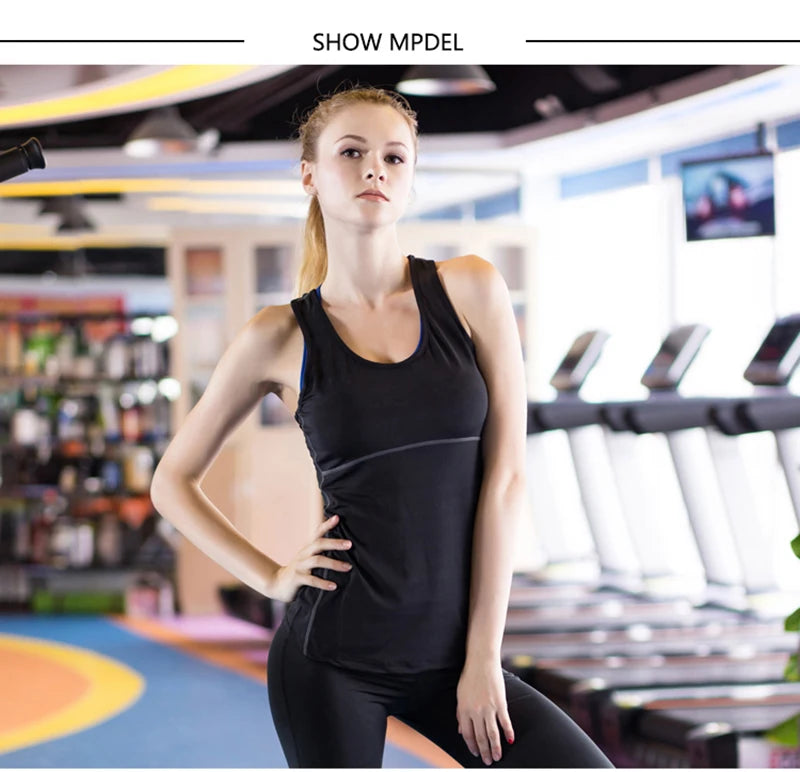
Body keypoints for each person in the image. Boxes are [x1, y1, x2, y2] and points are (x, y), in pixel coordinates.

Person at [151, 85, 615, 769]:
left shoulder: (472, 290)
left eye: (395, 157)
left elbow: (507, 478)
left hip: (454, 654)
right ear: (309, 173)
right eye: (353, 152)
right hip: (332, 656)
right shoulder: (278, 336)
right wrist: (273, 575)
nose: (376, 170)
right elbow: (172, 483)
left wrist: (484, 657)